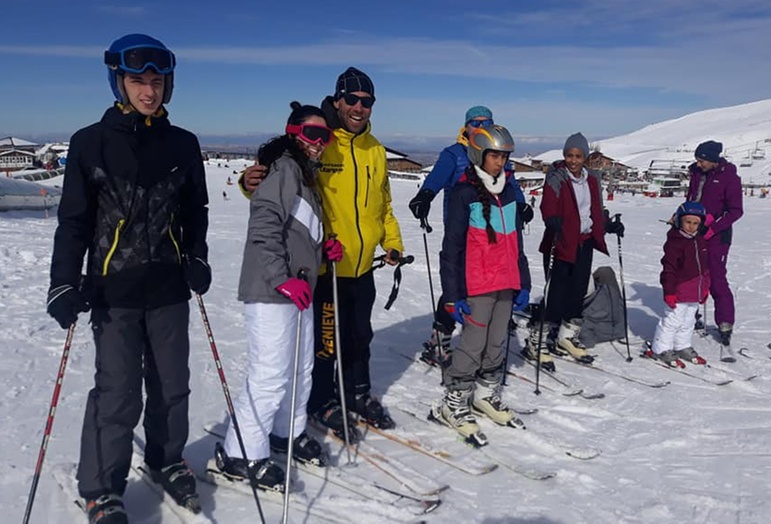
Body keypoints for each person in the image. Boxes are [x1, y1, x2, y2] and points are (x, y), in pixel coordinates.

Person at [45, 34, 209, 523]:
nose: (149, 90)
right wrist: (63, 281)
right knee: (117, 391)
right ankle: (101, 489)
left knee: (172, 384)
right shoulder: (89, 143)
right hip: (112, 289)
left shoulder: (183, 144)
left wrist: (196, 257)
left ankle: (166, 459)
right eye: (138, 80)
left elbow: (195, 211)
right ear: (118, 81)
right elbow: (73, 221)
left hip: (167, 287)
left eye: (157, 81)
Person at [213, 102, 342, 491]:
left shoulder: (306, 176)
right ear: (293, 133)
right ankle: (240, 453)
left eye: (326, 136)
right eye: (312, 134)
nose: (319, 142)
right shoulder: (284, 169)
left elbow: (298, 231)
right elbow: (264, 226)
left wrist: (324, 246)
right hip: (272, 290)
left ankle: (287, 432)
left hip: (299, 289)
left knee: (300, 371)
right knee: (270, 376)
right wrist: (281, 278)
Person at [306, 67, 404, 435]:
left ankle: (356, 392)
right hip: (326, 269)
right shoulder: (320, 140)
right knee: (325, 342)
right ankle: (320, 400)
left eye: (367, 102)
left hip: (362, 267)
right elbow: (281, 180)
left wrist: (391, 242)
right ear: (337, 102)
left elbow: (384, 204)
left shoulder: (375, 149)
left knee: (360, 335)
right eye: (352, 100)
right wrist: (249, 184)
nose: (359, 107)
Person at [407, 106, 532, 366]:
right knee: (459, 283)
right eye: (475, 122)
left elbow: (509, 182)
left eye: (486, 122)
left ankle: (490, 326)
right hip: (464, 229)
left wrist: (521, 204)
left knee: (494, 278)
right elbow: (436, 178)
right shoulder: (455, 154)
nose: (481, 126)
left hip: (496, 231)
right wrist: (425, 196)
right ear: (466, 127)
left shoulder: (494, 154)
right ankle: (439, 338)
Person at [431, 124, 531, 446]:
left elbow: (517, 244)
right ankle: (453, 401)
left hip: (506, 283)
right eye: (494, 156)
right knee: (472, 346)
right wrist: (453, 294)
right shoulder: (465, 192)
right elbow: (453, 249)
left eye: (504, 156)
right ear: (478, 155)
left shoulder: (511, 192)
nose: (500, 162)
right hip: (476, 285)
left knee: (497, 344)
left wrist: (523, 281)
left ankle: (485, 395)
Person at [529, 133, 624, 369]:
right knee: (556, 293)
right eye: (569, 155)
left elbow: (594, 209)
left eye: (578, 156)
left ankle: (566, 336)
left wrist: (607, 224)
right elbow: (547, 204)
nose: (573, 160)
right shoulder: (557, 176)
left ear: (585, 157)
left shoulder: (591, 179)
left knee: (577, 291)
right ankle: (537, 340)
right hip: (561, 241)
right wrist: (552, 220)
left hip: (585, 241)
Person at [686, 140, 743, 345]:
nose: (699, 164)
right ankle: (689, 314)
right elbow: (692, 199)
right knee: (690, 274)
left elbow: (736, 211)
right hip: (693, 231)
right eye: (697, 160)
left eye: (702, 161)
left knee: (717, 277)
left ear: (712, 160)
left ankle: (725, 321)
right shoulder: (696, 174)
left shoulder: (729, 178)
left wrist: (712, 227)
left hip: (717, 236)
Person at [645, 202, 711, 368]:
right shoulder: (675, 242)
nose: (691, 227)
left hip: (695, 290)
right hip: (679, 290)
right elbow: (668, 269)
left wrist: (704, 288)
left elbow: (705, 268)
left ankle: (682, 346)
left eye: (695, 223)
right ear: (679, 220)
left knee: (688, 321)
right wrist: (669, 292)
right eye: (687, 222)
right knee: (673, 320)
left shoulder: (700, 240)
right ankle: (661, 348)